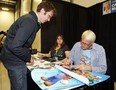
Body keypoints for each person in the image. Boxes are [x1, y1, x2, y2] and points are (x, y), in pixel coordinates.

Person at [0, 1, 56, 90]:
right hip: (14, 60)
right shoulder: (30, 21)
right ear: (42, 10)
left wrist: (28, 53)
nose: (49, 20)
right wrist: (28, 57)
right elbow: (16, 46)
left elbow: (21, 44)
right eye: (48, 16)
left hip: (9, 56)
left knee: (15, 86)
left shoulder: (30, 19)